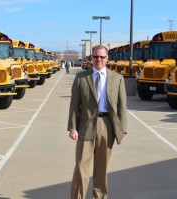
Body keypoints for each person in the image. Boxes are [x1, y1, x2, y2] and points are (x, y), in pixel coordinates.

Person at [67, 45, 127, 199]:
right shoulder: (81, 78)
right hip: (85, 126)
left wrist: (122, 131)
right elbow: (74, 105)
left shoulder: (117, 78)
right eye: (95, 56)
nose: (98, 59)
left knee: (101, 169)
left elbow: (122, 107)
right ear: (91, 58)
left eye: (102, 57)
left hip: (107, 126)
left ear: (107, 59)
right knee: (81, 167)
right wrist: (73, 127)